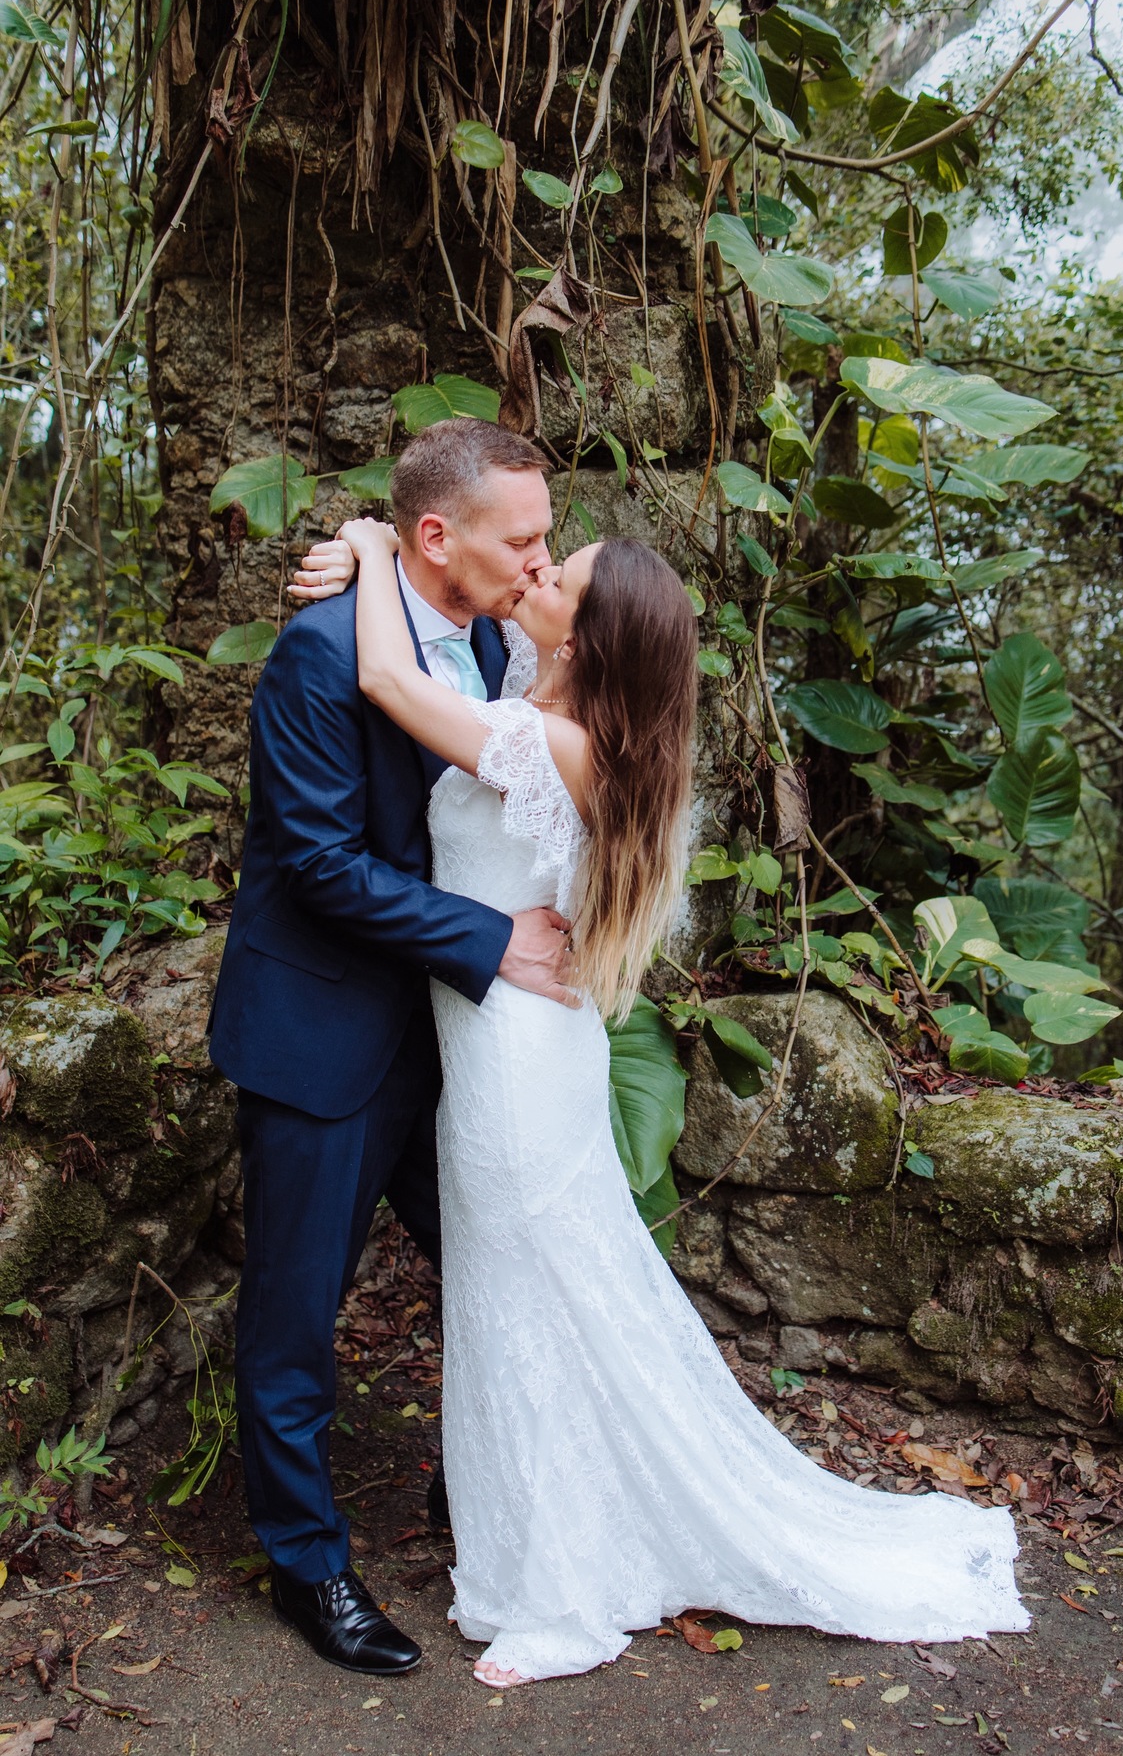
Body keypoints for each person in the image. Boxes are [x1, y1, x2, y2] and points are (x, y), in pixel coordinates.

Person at [297, 512, 1030, 1690]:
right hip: (516, 1052)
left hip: (516, 1073)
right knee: (526, 1309)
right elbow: (421, 663)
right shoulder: (546, 717)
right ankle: (550, 1547)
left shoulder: (553, 745)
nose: (536, 569)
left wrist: (370, 542)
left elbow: (386, 672)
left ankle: (561, 1594)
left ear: (587, 644)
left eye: (560, 576)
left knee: (528, 1312)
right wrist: (380, 555)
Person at [206, 419, 576, 1678]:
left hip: (446, 1041)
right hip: (319, 1028)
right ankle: (307, 1565)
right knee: (295, 1318)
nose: (541, 559)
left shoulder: (490, 639)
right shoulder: (318, 656)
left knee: (492, 1264)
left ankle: (473, 1495)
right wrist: (494, 940)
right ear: (436, 536)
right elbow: (318, 866)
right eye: (521, 537)